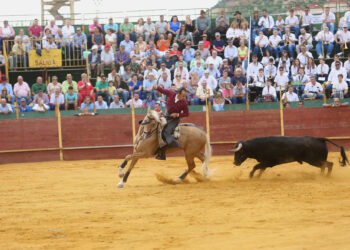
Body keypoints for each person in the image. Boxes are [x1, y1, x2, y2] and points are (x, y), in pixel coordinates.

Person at [152, 84, 189, 160]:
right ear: (178, 94)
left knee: (167, 131)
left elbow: (186, 113)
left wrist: (177, 114)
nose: (184, 98)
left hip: (174, 120)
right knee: (156, 127)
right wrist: (156, 88)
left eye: (185, 96)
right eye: (183, 96)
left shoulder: (184, 102)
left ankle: (164, 152)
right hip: (167, 115)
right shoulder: (172, 93)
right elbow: (163, 90)